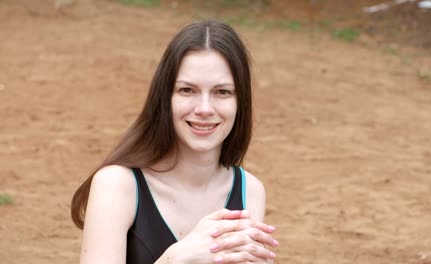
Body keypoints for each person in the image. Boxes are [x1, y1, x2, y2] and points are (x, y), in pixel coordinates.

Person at [70, 20, 279, 264]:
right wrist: (175, 259)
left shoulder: (249, 191)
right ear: (164, 97)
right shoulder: (117, 185)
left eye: (222, 92)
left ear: (240, 101)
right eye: (187, 90)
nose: (204, 108)